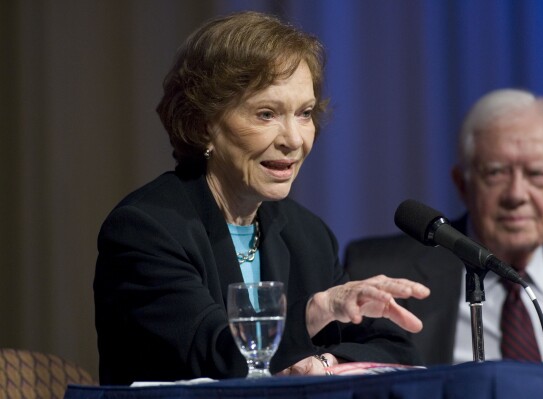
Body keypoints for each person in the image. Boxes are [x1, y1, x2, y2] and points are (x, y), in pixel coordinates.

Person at [94, 11, 430, 385]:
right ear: (204, 124)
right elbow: (213, 357)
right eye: (267, 114)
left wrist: (325, 362)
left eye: (304, 114)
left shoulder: (307, 235)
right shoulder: (148, 229)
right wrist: (316, 311)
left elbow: (396, 350)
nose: (294, 140)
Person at [345, 88, 543, 366]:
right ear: (462, 184)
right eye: (496, 173)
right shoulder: (381, 272)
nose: (516, 194)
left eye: (537, 174)